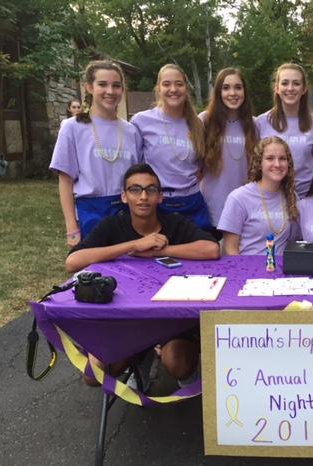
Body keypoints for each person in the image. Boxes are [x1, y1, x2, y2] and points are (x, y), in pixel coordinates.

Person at [66, 164, 219, 387]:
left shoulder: (173, 222)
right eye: (135, 190)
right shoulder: (112, 225)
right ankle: (140, 359)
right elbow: (72, 262)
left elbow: (211, 249)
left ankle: (166, 362)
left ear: (160, 197)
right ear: (124, 196)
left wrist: (160, 251)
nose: (143, 197)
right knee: (93, 374)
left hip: (171, 319)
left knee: (179, 364)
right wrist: (133, 245)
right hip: (126, 319)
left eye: (151, 190)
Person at [50, 60, 141, 247]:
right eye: (102, 84)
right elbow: (65, 180)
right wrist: (71, 227)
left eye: (116, 85)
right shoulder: (73, 127)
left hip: (127, 212)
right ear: (89, 87)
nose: (110, 91)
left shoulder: (131, 131)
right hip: (91, 213)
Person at [131, 64, 212, 232]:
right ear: (158, 89)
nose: (173, 89)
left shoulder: (197, 124)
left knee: (204, 252)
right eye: (167, 84)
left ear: (186, 89)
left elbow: (201, 165)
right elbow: (134, 165)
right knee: (160, 254)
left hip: (192, 202)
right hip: (158, 203)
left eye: (179, 84)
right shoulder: (141, 121)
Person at [199, 67, 258, 231]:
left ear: (244, 91)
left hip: (244, 208)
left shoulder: (254, 125)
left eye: (238, 87)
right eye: (226, 88)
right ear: (218, 92)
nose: (232, 93)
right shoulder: (204, 121)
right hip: (211, 209)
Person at [219, 137, 299, 255]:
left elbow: (293, 243)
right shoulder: (238, 198)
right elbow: (230, 249)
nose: (277, 164)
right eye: (270, 158)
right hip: (248, 270)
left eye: (282, 159)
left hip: (281, 270)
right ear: (259, 163)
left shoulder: (292, 197)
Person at [256, 63, 313, 197]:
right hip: (272, 197)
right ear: (276, 88)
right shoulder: (261, 122)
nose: (290, 88)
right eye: (285, 83)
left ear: (304, 89)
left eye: (296, 83)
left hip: (306, 196)